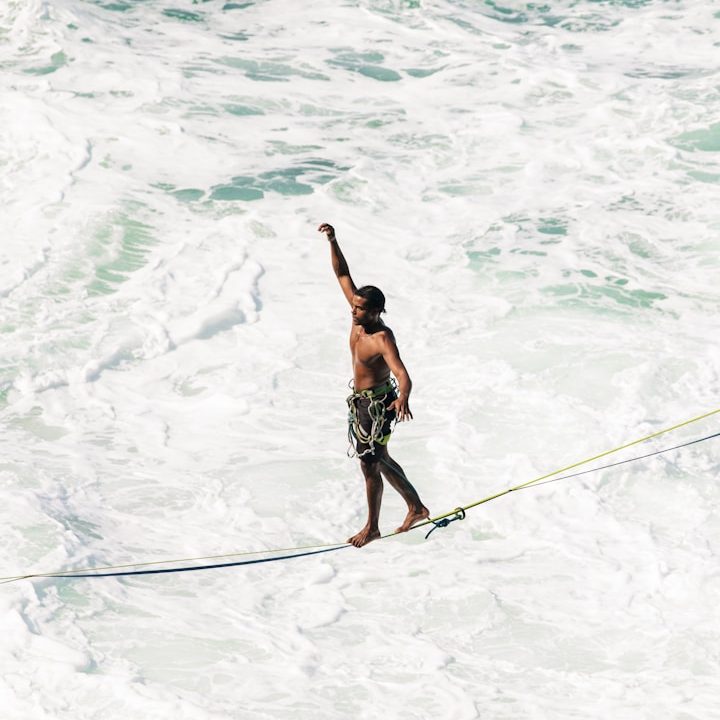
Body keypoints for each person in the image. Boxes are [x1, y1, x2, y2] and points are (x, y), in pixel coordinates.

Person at [318, 222, 429, 547]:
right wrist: (333, 241)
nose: (354, 312)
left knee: (370, 464)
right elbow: (342, 274)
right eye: (353, 306)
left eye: (361, 309)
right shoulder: (357, 318)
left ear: (377, 311)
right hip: (361, 402)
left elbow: (402, 373)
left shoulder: (382, 337)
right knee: (378, 457)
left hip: (379, 406)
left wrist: (404, 396)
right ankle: (416, 507)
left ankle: (372, 527)